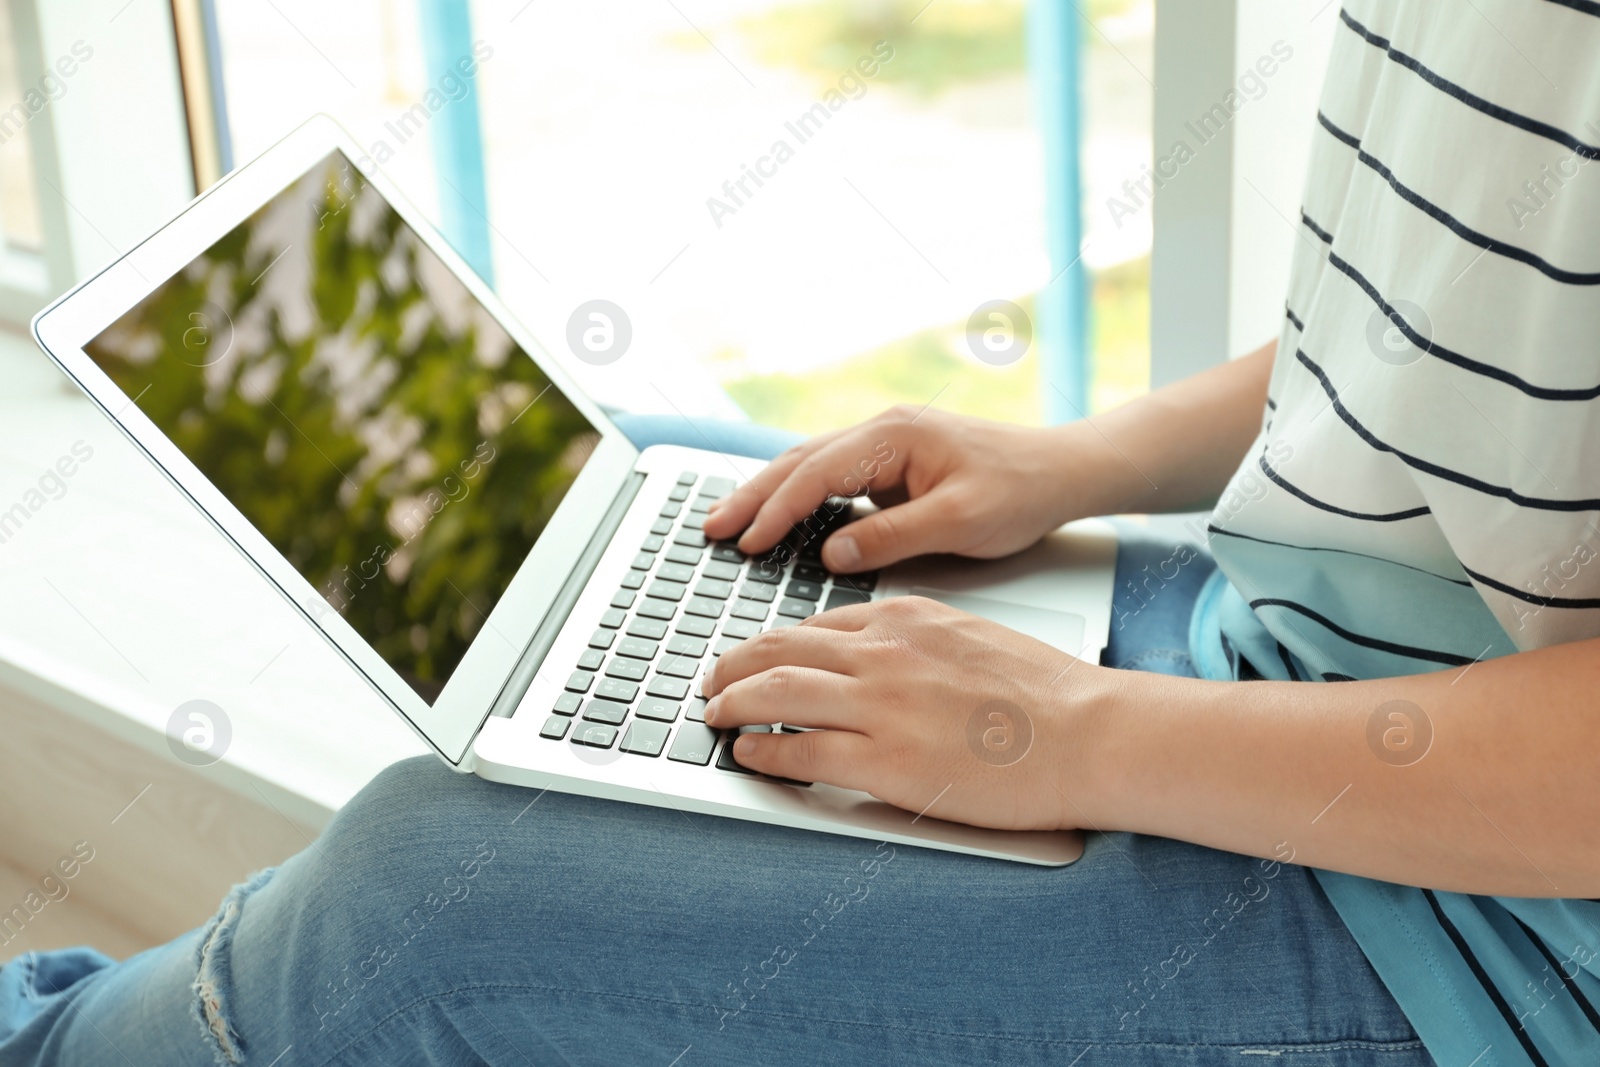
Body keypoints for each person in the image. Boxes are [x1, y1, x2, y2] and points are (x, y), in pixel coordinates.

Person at [3, 0, 1596, 1063]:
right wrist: (1066, 459)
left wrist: (1077, 734)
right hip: (1304, 646)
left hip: (1485, 931)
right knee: (679, 494)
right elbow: (1436, 315)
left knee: (423, 898)